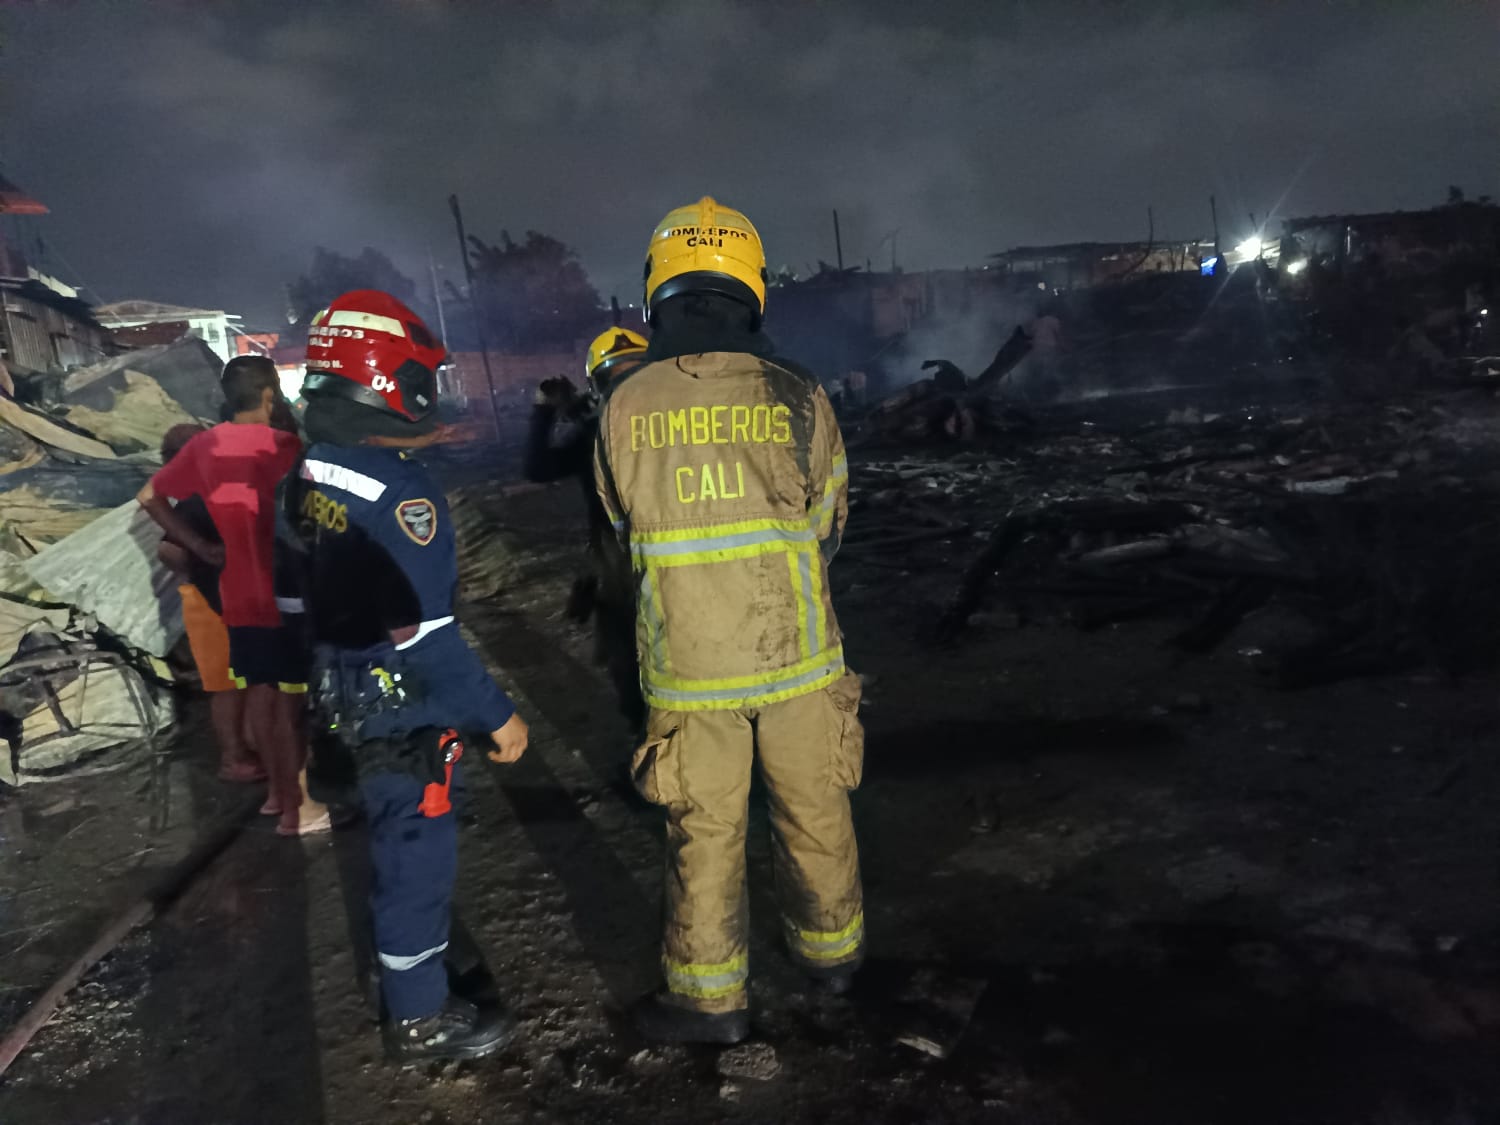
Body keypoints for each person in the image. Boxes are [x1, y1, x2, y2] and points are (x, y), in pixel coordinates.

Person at [594, 197, 866, 1044]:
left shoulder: (623, 405)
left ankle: (709, 1004)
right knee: (814, 809)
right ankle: (832, 959)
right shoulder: (798, 393)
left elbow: (622, 529)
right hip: (798, 657)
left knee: (704, 831)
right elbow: (829, 524)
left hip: (689, 667)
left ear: (658, 290)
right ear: (752, 287)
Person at [290, 289, 530, 1062]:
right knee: (416, 856)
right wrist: (496, 714)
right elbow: (426, 636)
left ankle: (409, 979)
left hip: (344, 691)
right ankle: (421, 1015)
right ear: (388, 382)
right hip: (403, 707)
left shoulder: (308, 471)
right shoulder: (400, 490)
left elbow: (300, 590)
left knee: (395, 845)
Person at [138, 356, 332, 836]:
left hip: (234, 592)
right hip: (281, 589)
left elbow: (149, 497)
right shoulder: (282, 446)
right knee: (289, 702)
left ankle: (278, 796)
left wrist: (202, 546)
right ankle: (299, 808)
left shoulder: (204, 446)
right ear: (269, 394)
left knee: (262, 694)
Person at [524, 327, 649, 732]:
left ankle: (653, 749)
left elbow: (537, 467)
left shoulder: (594, 434)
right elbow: (539, 468)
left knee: (636, 671)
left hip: (625, 575)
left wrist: (548, 411)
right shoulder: (677, 425)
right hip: (658, 570)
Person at [156, 422, 262, 784]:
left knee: (242, 680)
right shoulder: (191, 500)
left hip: (218, 599)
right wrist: (207, 564)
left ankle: (250, 748)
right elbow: (168, 550)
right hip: (208, 604)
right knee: (226, 685)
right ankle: (233, 759)